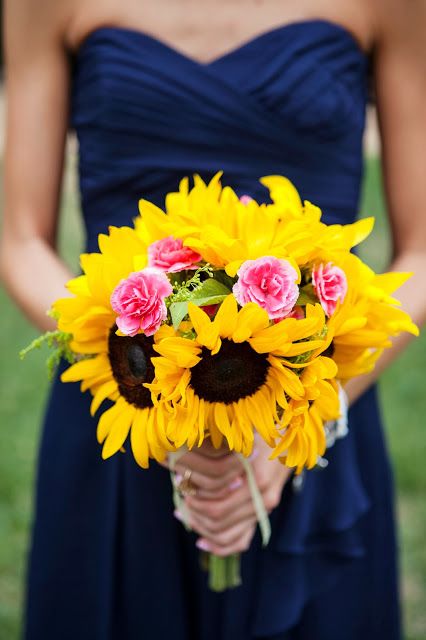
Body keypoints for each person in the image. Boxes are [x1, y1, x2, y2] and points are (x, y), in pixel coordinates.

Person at [1, 0, 425, 638]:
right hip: (126, 402)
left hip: (317, 406)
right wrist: (142, 384)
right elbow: (18, 239)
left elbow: (420, 248)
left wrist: (302, 419)